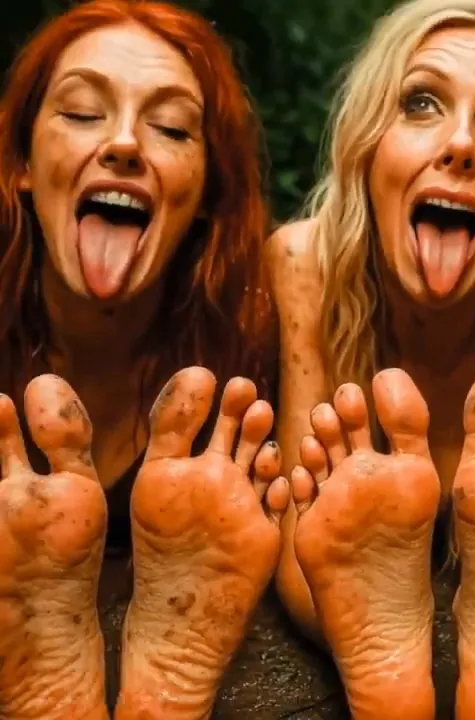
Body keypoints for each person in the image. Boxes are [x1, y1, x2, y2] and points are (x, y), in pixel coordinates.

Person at [268, 0, 475, 716]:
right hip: (354, 610)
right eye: (421, 103)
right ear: (365, 151)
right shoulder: (303, 262)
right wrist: (365, 620)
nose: (461, 144)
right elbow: (301, 547)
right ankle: (381, 653)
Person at [0, 1, 288, 718]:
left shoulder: (244, 361)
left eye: (169, 127)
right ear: (23, 165)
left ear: (207, 197)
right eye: (82, 113)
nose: (126, 144)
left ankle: (164, 681)